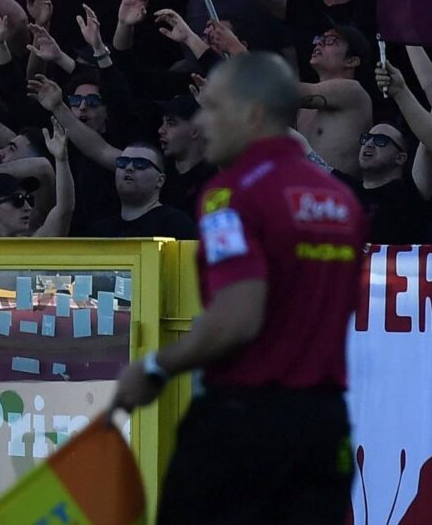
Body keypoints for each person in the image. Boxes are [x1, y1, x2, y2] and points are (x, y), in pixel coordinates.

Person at [106, 54, 363, 523]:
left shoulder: (232, 194)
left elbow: (237, 318)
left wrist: (155, 367)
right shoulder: (340, 199)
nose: (201, 123)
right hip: (325, 428)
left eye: (212, 107)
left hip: (244, 424)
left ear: (253, 114)